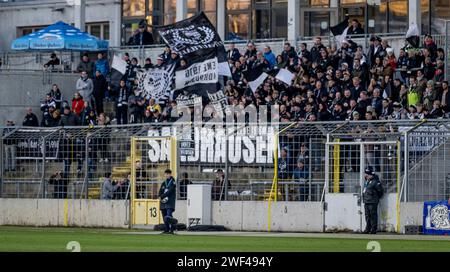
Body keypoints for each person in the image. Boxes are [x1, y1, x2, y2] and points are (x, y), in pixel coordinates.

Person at [362, 166, 384, 234]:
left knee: (373, 215)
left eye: (367, 174)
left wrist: (375, 198)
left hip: (372, 201)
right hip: (366, 201)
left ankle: (373, 229)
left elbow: (380, 191)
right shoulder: (367, 182)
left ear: (371, 174)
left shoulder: (375, 182)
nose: (366, 175)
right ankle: (367, 228)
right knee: (367, 216)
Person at [158, 169, 177, 234]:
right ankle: (166, 229)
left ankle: (172, 230)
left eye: (167, 174)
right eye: (165, 174)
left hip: (170, 202)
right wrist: (159, 196)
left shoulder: (173, 182)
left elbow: (170, 191)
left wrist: (162, 196)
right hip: (163, 202)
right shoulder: (164, 183)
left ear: (170, 174)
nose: (166, 175)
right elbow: (160, 191)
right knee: (164, 216)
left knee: (168, 216)